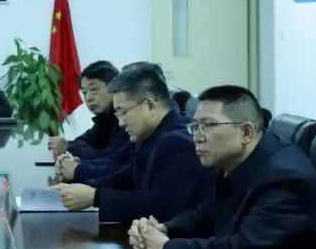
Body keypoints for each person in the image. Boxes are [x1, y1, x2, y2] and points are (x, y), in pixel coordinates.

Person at [128, 86, 316, 249]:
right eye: (195, 126)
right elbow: (205, 213)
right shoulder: (236, 159)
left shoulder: (286, 179)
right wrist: (164, 229)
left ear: (246, 132)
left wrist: (166, 247)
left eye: (208, 126)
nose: (197, 137)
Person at [51, 64, 207, 223]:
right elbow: (127, 175)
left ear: (149, 105)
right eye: (117, 114)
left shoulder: (179, 142)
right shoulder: (147, 133)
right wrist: (82, 188)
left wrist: (95, 197)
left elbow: (160, 207)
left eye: (123, 112)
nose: (121, 123)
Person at [47, 60, 119, 160]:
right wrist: (67, 145)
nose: (88, 98)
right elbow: (82, 141)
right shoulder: (104, 120)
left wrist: (68, 148)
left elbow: (112, 159)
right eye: (84, 92)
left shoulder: (124, 119)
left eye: (94, 89)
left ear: (114, 88)